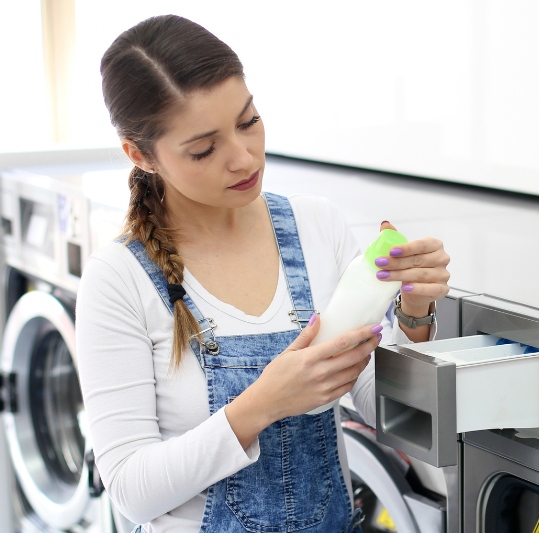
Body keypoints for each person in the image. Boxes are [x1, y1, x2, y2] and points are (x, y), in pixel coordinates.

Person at [75, 14, 450, 533]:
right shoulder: (118, 279)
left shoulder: (315, 225)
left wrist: (412, 315)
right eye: (204, 149)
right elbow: (131, 491)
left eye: (248, 121)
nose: (243, 156)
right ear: (141, 156)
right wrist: (261, 405)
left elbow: (389, 414)